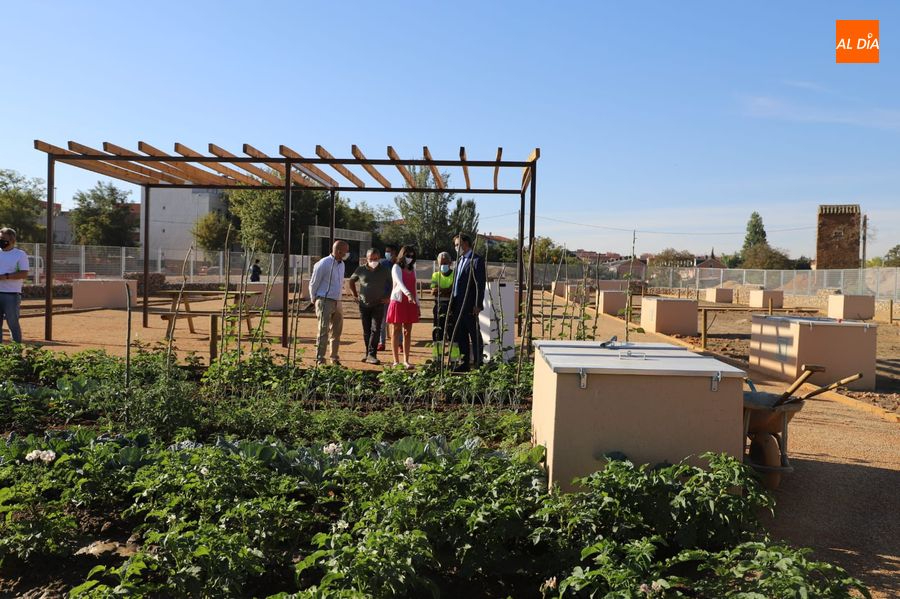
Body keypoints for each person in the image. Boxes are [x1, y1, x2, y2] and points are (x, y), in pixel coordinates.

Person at [449, 233, 486, 372]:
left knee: (474, 333)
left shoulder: (476, 260)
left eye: (458, 244)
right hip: (457, 303)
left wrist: (478, 304)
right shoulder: (459, 260)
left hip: (470, 304)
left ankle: (478, 362)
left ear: (466, 243)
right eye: (455, 245)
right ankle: (464, 363)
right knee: (461, 334)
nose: (456, 247)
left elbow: (480, 284)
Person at [308, 240, 348, 365]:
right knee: (323, 330)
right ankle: (320, 359)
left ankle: (334, 357)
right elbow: (314, 282)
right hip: (324, 300)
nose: (347, 253)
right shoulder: (323, 263)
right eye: (346, 251)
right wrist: (314, 299)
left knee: (337, 331)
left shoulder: (342, 264)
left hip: (337, 301)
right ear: (339, 251)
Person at [349, 248, 391, 365]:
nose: (373, 261)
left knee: (376, 329)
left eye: (375, 259)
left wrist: (388, 296)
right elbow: (351, 281)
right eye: (370, 259)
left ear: (379, 258)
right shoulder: (361, 269)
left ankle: (372, 355)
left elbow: (392, 282)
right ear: (366, 259)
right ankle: (368, 353)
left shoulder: (385, 270)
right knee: (366, 330)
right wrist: (355, 295)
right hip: (364, 305)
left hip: (378, 304)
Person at [386, 245, 419, 368]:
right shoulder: (396, 267)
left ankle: (406, 360)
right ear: (402, 255)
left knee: (407, 332)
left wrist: (417, 304)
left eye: (412, 256)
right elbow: (400, 283)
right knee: (396, 331)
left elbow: (414, 287)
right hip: (398, 302)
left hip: (410, 303)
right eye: (408, 255)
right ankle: (396, 361)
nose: (410, 258)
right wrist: (408, 294)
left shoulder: (413, 269)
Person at [0, 228, 29, 344]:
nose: (1, 240)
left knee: (13, 323)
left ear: (12, 240)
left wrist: (5, 276)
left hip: (11, 295)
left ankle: (16, 350)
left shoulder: (20, 254)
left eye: (3, 238)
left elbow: (24, 273)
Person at [378, 243, 399, 351]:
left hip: (396, 297)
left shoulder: (400, 264)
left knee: (397, 321)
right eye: (386, 251)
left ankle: (400, 343)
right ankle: (382, 342)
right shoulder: (382, 264)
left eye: (389, 251)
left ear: (395, 252)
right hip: (384, 297)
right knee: (382, 321)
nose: (387, 253)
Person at [430, 251, 454, 342]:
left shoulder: (455, 274)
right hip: (439, 306)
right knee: (437, 331)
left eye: (445, 263)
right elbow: (433, 291)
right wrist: (447, 289)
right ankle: (437, 350)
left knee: (452, 332)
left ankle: (453, 350)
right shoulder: (435, 275)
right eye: (441, 263)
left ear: (450, 263)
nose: (443, 265)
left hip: (452, 306)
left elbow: (453, 291)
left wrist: (440, 290)